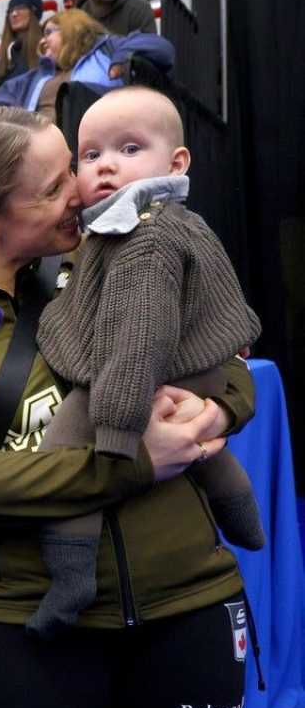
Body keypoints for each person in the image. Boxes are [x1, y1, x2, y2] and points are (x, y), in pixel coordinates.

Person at [0, 106, 255, 708]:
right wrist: (134, 464)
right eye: (52, 189)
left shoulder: (122, 245)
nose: (82, 192)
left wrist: (215, 413)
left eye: (71, 171)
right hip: (35, 623)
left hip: (189, 598)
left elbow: (228, 365)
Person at [29, 86, 263, 637]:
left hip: (141, 378)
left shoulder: (141, 239)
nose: (106, 165)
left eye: (130, 149)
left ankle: (70, 580)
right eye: (90, 156)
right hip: (200, 369)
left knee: (62, 454)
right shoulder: (169, 222)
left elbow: (137, 342)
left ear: (176, 161)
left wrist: (114, 438)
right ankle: (245, 523)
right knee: (203, 445)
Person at [0, 9, 172, 119]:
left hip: (100, 131)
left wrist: (122, 58)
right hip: (41, 148)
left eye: (48, 32)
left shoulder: (107, 49)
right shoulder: (37, 75)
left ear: (72, 29)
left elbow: (162, 49)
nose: (42, 41)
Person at [0, 0, 44, 86]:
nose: (14, 14)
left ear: (33, 12)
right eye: (10, 11)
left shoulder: (44, 45)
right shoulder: (4, 50)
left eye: (20, 8)